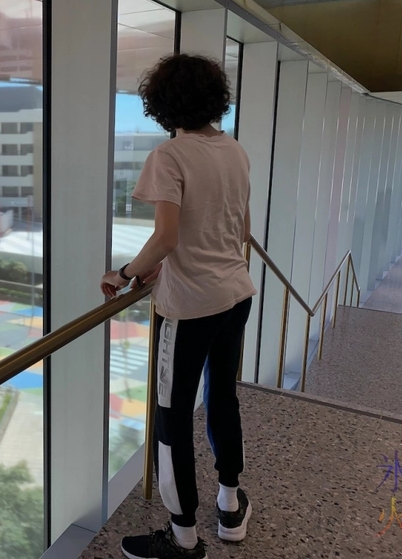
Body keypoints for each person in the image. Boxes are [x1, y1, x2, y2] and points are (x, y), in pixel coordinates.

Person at [100, 54, 256, 559]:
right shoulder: (234, 151)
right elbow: (238, 229)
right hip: (236, 294)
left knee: (171, 419)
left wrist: (124, 273)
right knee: (221, 398)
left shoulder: (170, 156)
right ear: (216, 98)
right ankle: (230, 506)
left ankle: (183, 535)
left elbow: (166, 236)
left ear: (161, 103)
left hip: (189, 308)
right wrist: (169, 260)